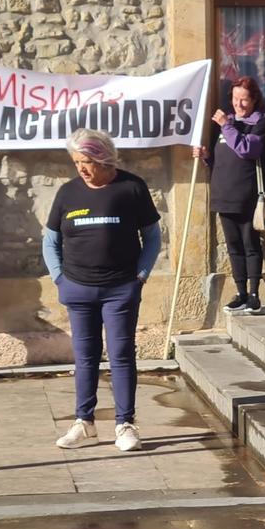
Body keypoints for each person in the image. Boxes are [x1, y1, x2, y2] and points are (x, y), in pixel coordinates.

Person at [43, 129, 161, 453]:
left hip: (120, 289)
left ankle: (125, 423)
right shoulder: (67, 193)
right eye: (77, 162)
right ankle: (85, 422)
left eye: (87, 161)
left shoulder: (131, 187)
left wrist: (141, 274)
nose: (81, 168)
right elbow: (50, 240)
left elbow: (152, 236)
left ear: (104, 159)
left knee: (121, 355)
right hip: (78, 289)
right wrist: (58, 278)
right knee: (85, 358)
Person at [194, 76, 265, 315]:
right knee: (233, 246)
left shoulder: (259, 122)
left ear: (254, 100)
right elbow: (220, 158)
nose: (239, 104)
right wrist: (206, 154)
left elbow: (246, 149)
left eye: (245, 100)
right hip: (223, 192)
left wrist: (226, 126)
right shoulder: (225, 123)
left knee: (250, 244)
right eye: (235, 99)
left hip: (246, 193)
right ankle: (240, 292)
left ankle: (253, 294)